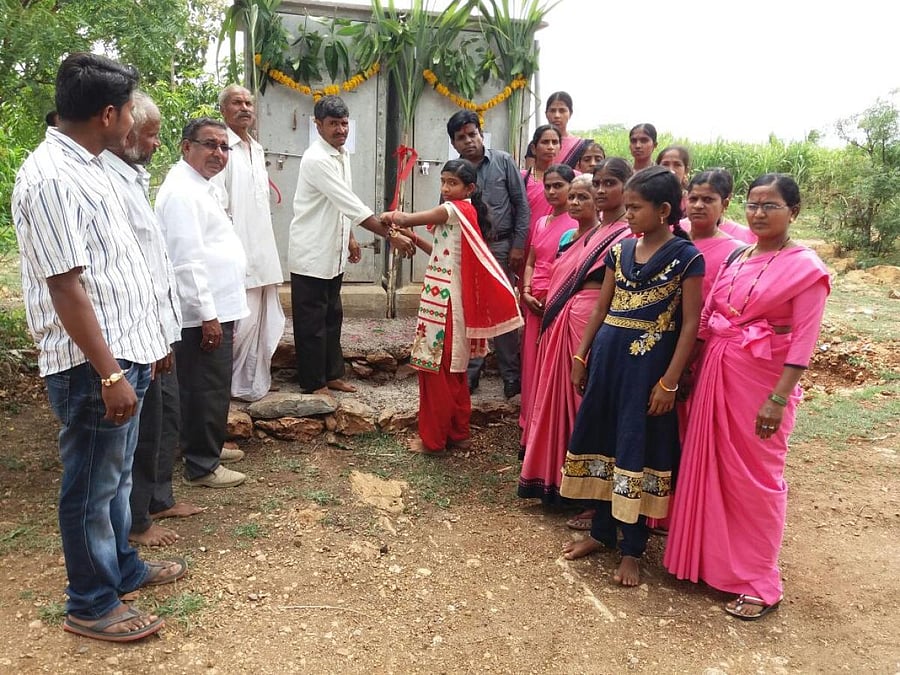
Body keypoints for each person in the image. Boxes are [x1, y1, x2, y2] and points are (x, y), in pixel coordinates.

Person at [12, 52, 185, 643]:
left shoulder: (95, 165)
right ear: (109, 114)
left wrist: (148, 344)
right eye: (130, 110)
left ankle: (121, 569)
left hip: (125, 352)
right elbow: (66, 285)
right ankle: (89, 602)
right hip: (92, 365)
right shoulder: (50, 177)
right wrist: (110, 374)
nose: (135, 121)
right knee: (88, 486)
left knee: (112, 480)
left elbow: (124, 263)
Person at [664, 174, 830, 620]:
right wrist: (690, 371)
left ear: (793, 212)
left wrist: (778, 399)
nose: (758, 213)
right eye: (754, 205)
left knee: (756, 479)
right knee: (710, 467)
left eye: (770, 206)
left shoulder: (806, 268)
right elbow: (710, 314)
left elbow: (803, 342)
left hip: (763, 381)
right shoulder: (739, 256)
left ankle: (760, 581)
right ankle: (708, 563)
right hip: (719, 370)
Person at [559, 166, 704, 587]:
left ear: (662, 211)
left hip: (648, 370)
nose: (628, 215)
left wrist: (670, 382)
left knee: (637, 449)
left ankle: (633, 549)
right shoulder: (620, 252)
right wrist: (580, 355)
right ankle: (602, 534)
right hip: (607, 361)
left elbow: (691, 325)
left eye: (636, 209)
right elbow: (603, 307)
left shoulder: (686, 257)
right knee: (604, 442)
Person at [102, 91, 203, 546]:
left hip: (157, 331)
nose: (156, 143)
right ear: (123, 132)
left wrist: (164, 332)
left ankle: (156, 500)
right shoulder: (105, 181)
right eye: (151, 134)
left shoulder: (133, 178)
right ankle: (137, 521)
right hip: (133, 336)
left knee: (164, 420)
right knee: (138, 435)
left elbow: (154, 263)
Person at [381, 159, 523, 453]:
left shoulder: (456, 209)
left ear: (469, 188)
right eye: (443, 182)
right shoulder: (465, 215)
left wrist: (392, 217)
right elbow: (443, 254)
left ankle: (432, 440)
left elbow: (406, 217)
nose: (446, 189)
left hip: (444, 305)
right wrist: (415, 239)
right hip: (446, 300)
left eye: (452, 183)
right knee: (454, 371)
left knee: (436, 370)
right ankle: (458, 434)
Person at [519, 163, 632, 510]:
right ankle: (558, 477)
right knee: (559, 400)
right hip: (564, 319)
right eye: (595, 183)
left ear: (627, 188)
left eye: (608, 183)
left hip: (592, 325)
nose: (599, 190)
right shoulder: (595, 232)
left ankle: (592, 496)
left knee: (585, 403)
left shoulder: (626, 234)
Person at [289, 95, 414, 395]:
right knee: (312, 324)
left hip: (333, 251)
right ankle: (313, 383)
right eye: (333, 124)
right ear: (317, 125)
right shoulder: (317, 159)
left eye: (344, 123)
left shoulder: (340, 154)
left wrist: (351, 237)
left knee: (333, 316)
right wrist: (390, 235)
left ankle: (331, 374)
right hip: (312, 253)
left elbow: (340, 204)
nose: (340, 129)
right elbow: (351, 204)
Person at [156, 117, 249, 489]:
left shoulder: (201, 186)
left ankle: (204, 445)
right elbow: (187, 261)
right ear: (186, 147)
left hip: (217, 306)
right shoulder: (181, 192)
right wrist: (207, 316)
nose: (219, 153)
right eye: (210, 145)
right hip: (201, 314)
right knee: (205, 386)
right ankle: (202, 464)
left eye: (224, 147)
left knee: (205, 385)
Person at [447, 110, 530, 397]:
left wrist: (518, 245)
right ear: (454, 143)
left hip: (501, 247)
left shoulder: (504, 162)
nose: (469, 141)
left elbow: (521, 205)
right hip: (470, 248)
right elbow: (446, 211)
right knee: (472, 307)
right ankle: (472, 372)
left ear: (481, 134)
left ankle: (510, 375)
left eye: (472, 134)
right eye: (461, 138)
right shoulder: (454, 172)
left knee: (503, 307)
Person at [211, 84, 285, 402]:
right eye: (236, 102)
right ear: (223, 110)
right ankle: (220, 391)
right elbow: (217, 204)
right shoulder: (220, 148)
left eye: (249, 103)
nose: (245, 108)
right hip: (235, 256)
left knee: (260, 324)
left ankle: (247, 386)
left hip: (262, 254)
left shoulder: (256, 147)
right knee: (239, 327)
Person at [518, 164, 577, 435]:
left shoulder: (578, 225)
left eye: (559, 186)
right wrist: (526, 291)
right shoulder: (541, 221)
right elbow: (531, 261)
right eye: (548, 186)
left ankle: (549, 426)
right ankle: (529, 421)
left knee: (552, 366)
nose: (552, 191)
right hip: (534, 301)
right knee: (531, 363)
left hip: (559, 304)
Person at [522, 124, 563, 231]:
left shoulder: (572, 178)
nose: (550, 147)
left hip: (558, 237)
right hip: (525, 238)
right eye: (545, 142)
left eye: (555, 142)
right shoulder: (521, 177)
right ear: (533, 148)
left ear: (560, 147)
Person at [544, 91, 586, 168]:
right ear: (546, 114)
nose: (557, 115)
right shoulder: (537, 144)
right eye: (553, 111)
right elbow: (531, 177)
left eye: (562, 111)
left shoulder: (581, 146)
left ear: (570, 114)